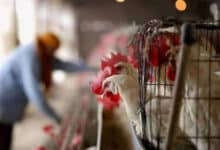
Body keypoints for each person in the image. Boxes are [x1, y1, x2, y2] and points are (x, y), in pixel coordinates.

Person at [0, 32, 90, 150]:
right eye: (53, 51)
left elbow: (63, 65)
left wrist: (91, 68)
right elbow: (34, 92)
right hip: (4, 102)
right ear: (48, 48)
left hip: (9, 107)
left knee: (6, 138)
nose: (53, 54)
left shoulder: (41, 54)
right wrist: (55, 116)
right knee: (2, 138)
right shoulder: (30, 57)